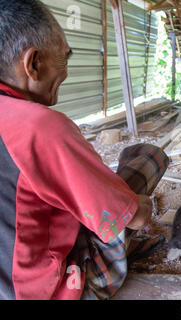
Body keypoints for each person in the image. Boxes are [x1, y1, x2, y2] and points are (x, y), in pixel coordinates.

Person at [0, 0, 168, 300]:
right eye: (65, 57)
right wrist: (138, 206)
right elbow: (137, 219)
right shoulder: (39, 126)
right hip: (49, 292)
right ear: (33, 63)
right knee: (148, 157)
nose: (66, 71)